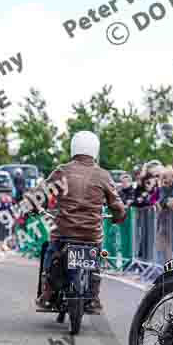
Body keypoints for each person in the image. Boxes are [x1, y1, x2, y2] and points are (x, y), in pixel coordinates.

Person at [36, 131, 125, 313]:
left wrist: (33, 207)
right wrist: (118, 217)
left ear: (73, 148)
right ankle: (93, 297)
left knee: (51, 252)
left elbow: (41, 194)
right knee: (96, 258)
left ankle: (47, 293)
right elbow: (117, 205)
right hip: (91, 233)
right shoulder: (103, 175)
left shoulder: (62, 171)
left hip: (63, 231)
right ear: (95, 150)